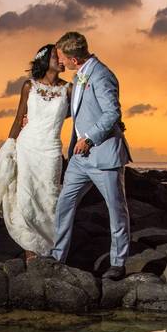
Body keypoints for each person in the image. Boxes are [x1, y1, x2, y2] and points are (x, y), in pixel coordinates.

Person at [50, 31, 133, 280]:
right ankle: (57, 257)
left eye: (62, 58)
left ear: (74, 60)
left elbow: (111, 112)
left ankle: (118, 264)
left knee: (116, 211)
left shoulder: (102, 75)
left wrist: (89, 138)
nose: (59, 62)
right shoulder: (79, 76)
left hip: (103, 157)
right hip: (79, 159)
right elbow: (78, 111)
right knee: (64, 205)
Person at [0, 44, 71, 262]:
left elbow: (74, 114)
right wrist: (9, 145)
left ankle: (51, 251)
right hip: (26, 147)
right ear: (44, 60)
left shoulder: (69, 89)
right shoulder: (28, 86)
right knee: (25, 199)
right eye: (56, 56)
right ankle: (31, 252)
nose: (62, 59)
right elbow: (18, 117)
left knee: (50, 198)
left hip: (50, 150)